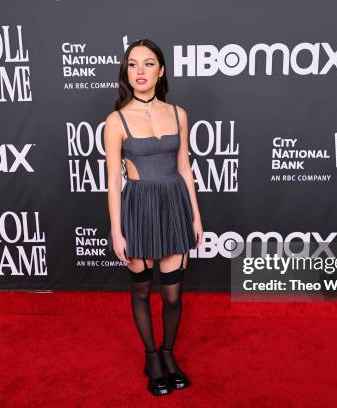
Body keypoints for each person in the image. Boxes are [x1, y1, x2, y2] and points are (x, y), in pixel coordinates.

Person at [104, 38, 203, 396]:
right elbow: (114, 181)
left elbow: (185, 167)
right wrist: (116, 231)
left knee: (173, 294)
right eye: (133, 64)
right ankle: (151, 357)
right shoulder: (115, 121)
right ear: (126, 72)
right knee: (143, 290)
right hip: (138, 206)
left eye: (148, 64)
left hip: (174, 203)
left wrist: (195, 215)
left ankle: (168, 353)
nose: (140, 71)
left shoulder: (178, 113)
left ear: (161, 71)